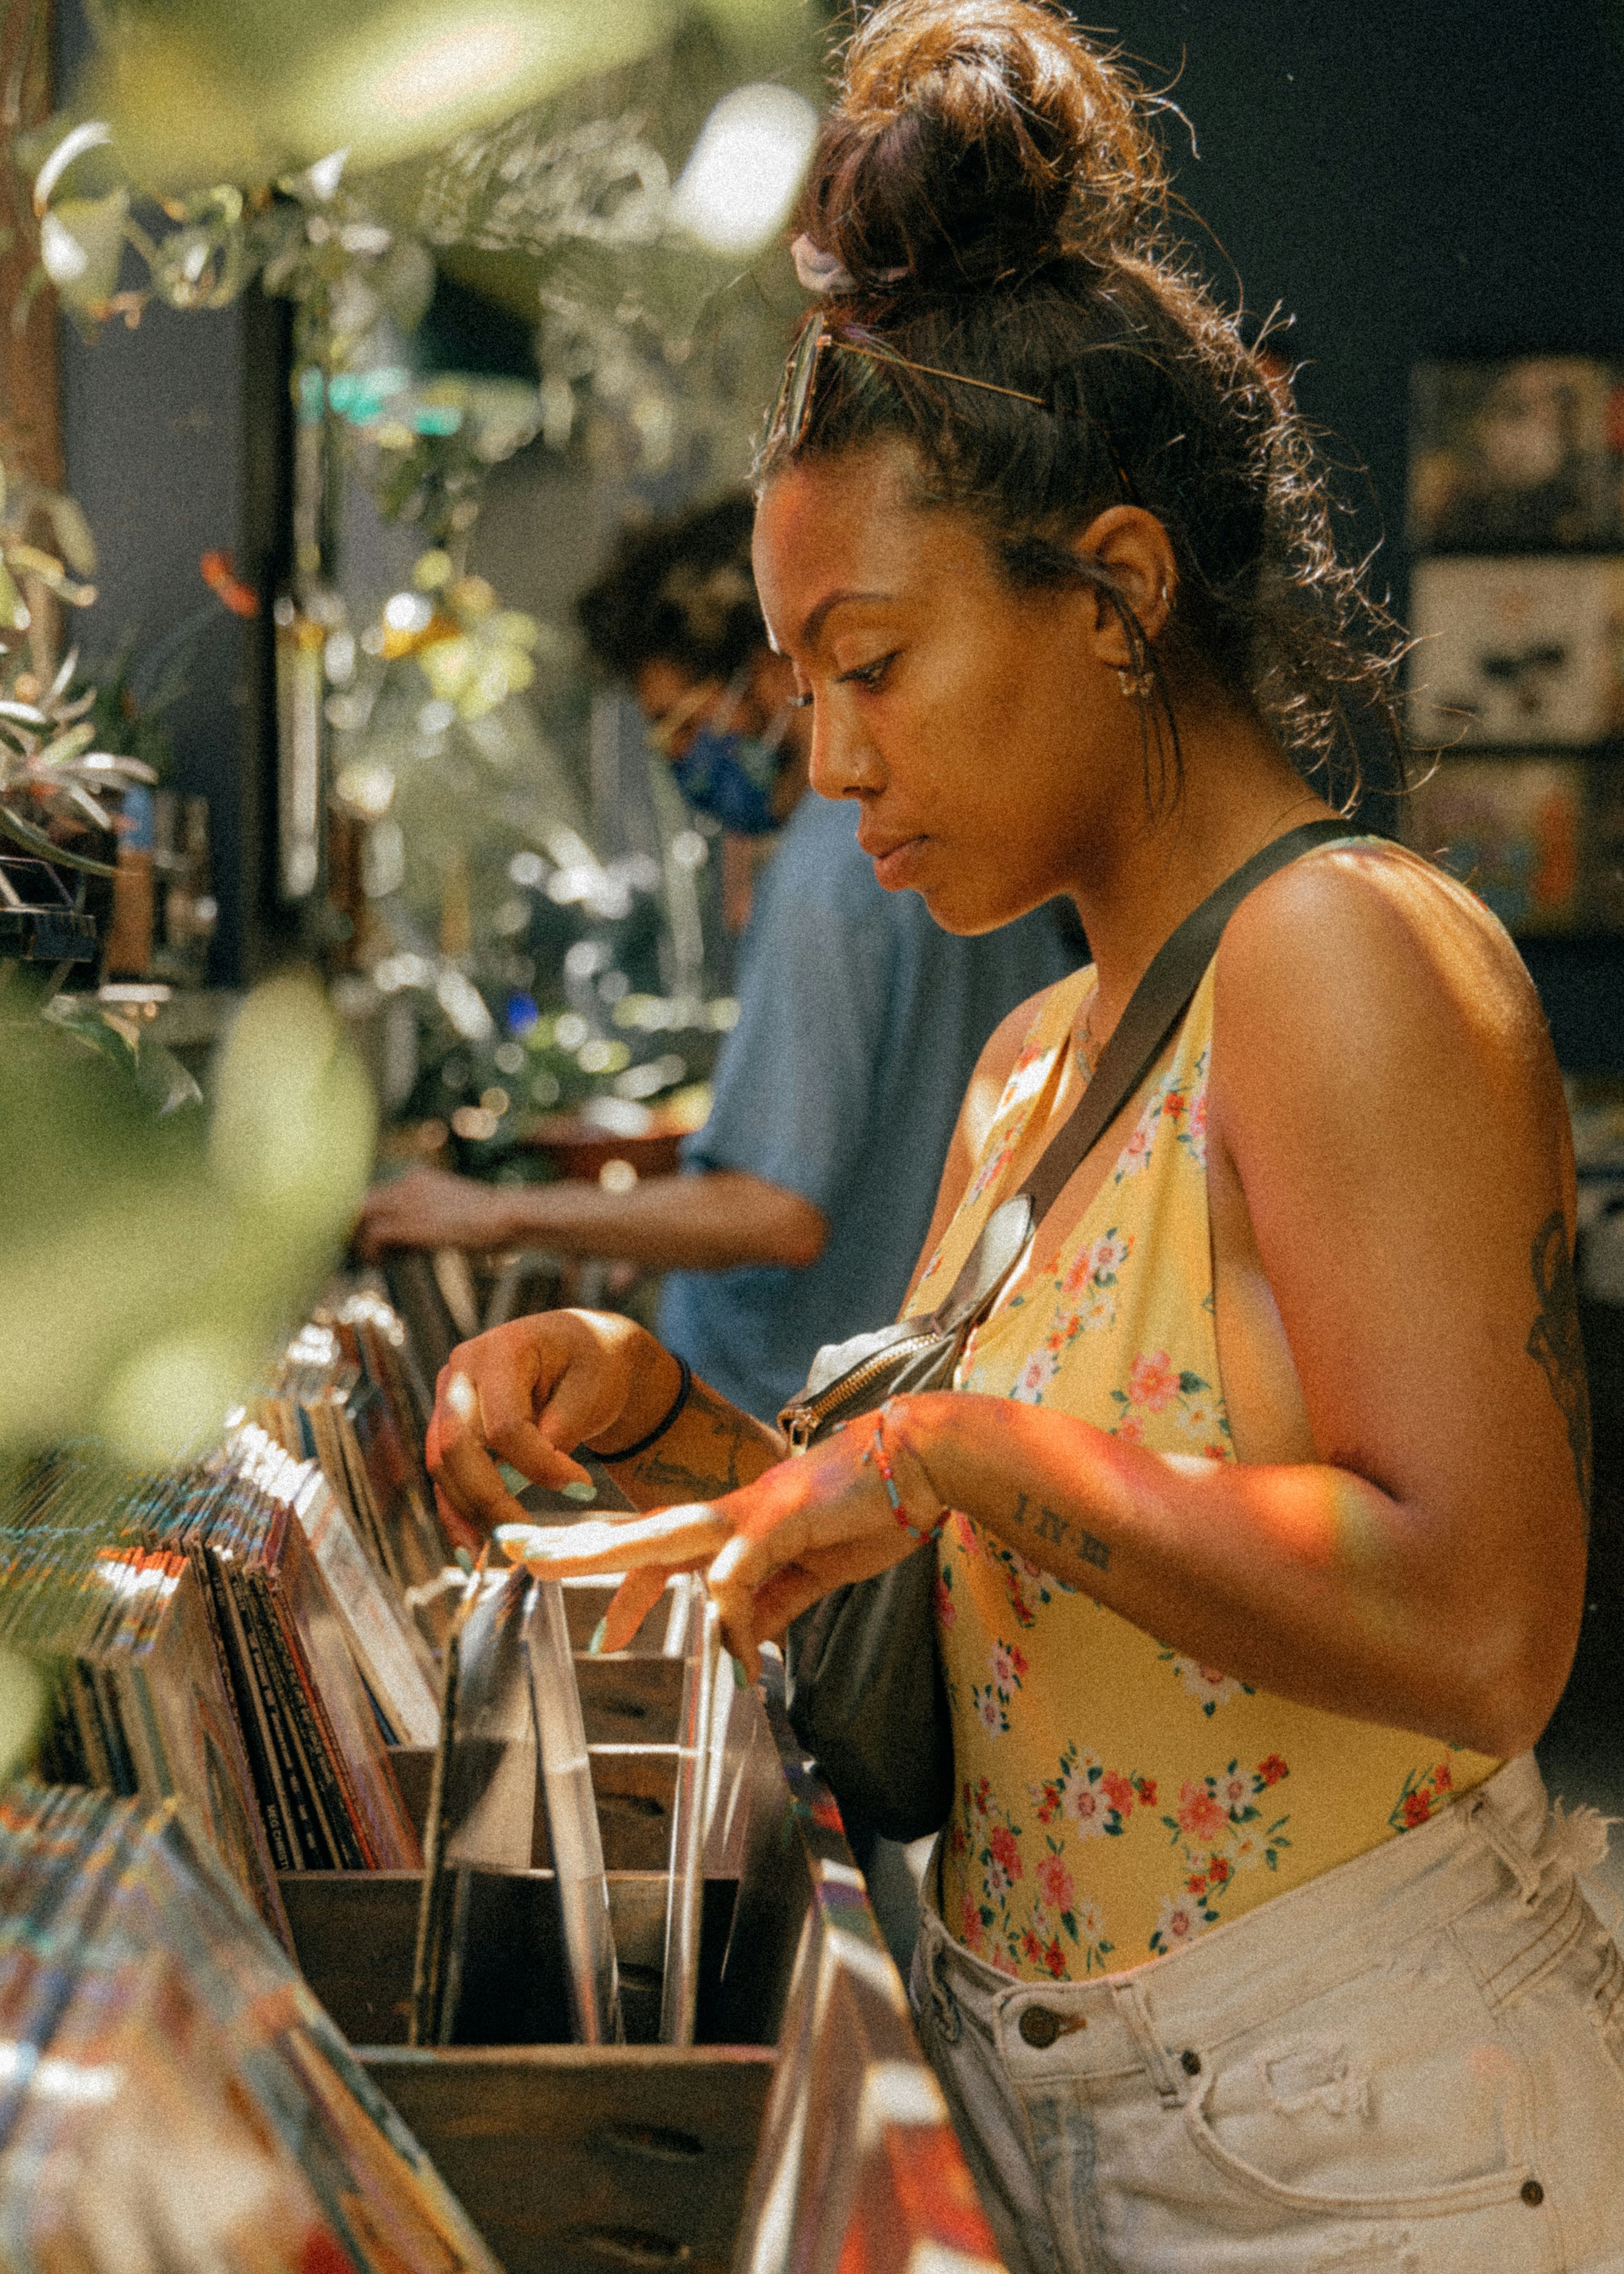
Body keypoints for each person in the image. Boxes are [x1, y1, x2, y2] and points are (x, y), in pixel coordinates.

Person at [421, 4, 1617, 2265]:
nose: (832, 758)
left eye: (868, 663)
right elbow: (995, 1576)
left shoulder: (1341, 953)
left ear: (1118, 591)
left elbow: (1478, 1616)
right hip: (1078, 2094)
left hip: (1358, 2133)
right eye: (797, 690)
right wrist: (668, 1421)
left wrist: (953, 1456)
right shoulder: (1037, 1056)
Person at [356, 494, 1082, 1424]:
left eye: (684, 723)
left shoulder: (833, 871)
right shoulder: (944, 841)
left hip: (786, 1410)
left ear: (774, 678)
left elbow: (778, 1211)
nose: (682, 760)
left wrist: (496, 1212)